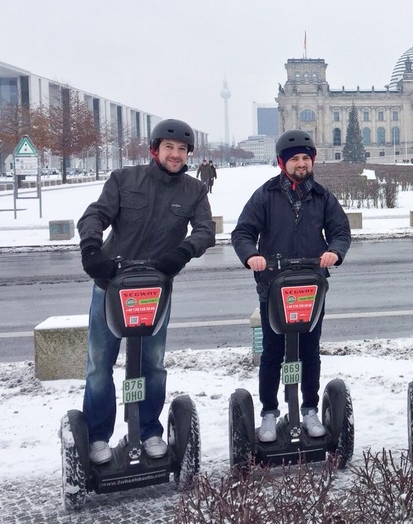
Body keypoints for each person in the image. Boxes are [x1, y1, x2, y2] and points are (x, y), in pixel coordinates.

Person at [77, 118, 215, 465]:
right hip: (111, 284)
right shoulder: (124, 179)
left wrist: (182, 252)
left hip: (155, 289)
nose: (175, 154)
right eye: (168, 147)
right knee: (99, 364)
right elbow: (95, 215)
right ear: (155, 149)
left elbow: (204, 231)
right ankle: (97, 437)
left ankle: (150, 429)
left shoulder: (194, 190)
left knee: (152, 364)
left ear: (188, 155)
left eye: (182, 149)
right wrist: (92, 249)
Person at [231, 130, 351, 442]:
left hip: (311, 284)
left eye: (305, 158)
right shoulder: (266, 194)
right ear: (282, 162)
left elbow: (340, 230)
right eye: (294, 159)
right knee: (273, 350)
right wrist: (252, 256)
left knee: (310, 349)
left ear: (312, 161)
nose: (301, 164)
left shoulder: (323, 197)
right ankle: (269, 412)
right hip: (273, 285)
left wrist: (334, 252)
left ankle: (309, 408)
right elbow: (243, 232)